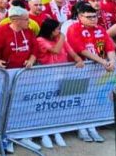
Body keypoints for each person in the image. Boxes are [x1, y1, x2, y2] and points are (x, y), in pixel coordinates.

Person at [65, 3, 116, 143]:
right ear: (80, 17)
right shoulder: (73, 28)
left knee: (92, 97)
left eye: (95, 16)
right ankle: (81, 127)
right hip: (77, 69)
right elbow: (81, 49)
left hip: (95, 69)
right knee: (78, 98)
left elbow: (109, 46)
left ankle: (91, 125)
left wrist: (112, 61)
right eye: (89, 17)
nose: (94, 19)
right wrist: (103, 62)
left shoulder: (100, 29)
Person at [32, 18, 84, 149]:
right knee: (46, 105)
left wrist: (78, 60)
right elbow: (55, 50)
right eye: (57, 29)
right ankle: (44, 133)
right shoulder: (40, 40)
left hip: (62, 75)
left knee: (59, 104)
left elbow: (71, 52)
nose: (59, 31)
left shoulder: (60, 39)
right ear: (50, 30)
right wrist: (62, 37)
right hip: (46, 78)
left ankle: (56, 130)